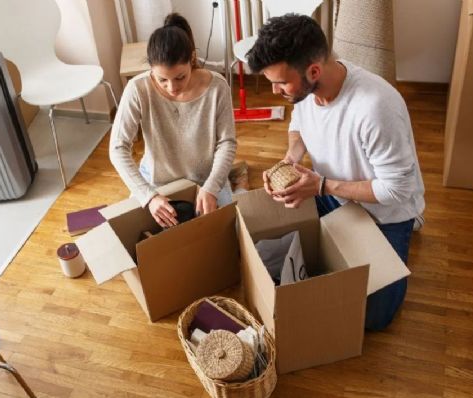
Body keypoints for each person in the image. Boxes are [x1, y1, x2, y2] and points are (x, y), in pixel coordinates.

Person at [247, 14, 425, 331]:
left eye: (280, 82)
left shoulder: (375, 107)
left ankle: (411, 227)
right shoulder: (303, 90)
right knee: (265, 230)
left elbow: (397, 190)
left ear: (314, 70)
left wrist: (323, 186)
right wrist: (290, 160)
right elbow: (298, 126)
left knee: (372, 317)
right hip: (330, 193)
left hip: (383, 213)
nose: (275, 91)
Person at [110, 13, 236, 229]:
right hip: (156, 181)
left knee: (229, 234)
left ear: (192, 59)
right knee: (136, 239)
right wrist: (148, 196)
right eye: (162, 80)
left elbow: (227, 142)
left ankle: (237, 186)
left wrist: (212, 187)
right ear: (151, 69)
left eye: (180, 77)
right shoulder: (138, 89)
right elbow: (118, 148)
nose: (172, 88)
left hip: (205, 179)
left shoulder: (217, 87)